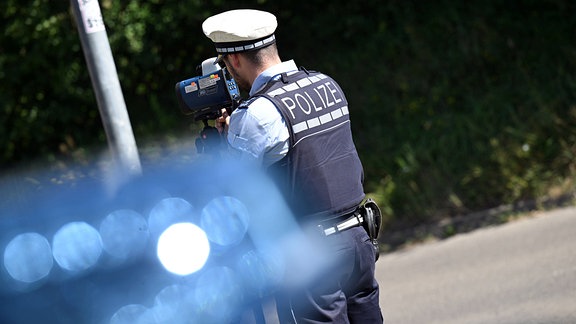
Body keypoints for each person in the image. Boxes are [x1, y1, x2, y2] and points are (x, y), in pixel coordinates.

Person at [202, 9, 383, 323]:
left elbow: (232, 189)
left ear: (233, 61)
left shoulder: (257, 113)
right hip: (360, 241)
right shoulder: (327, 84)